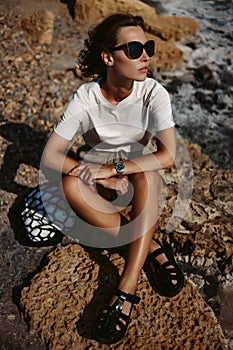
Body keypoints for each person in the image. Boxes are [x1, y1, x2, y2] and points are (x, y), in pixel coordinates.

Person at [41, 13, 184, 345]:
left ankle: (126, 285)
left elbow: (168, 155)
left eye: (147, 47)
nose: (146, 55)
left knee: (148, 170)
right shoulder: (87, 98)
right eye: (134, 49)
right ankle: (149, 247)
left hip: (138, 172)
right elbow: (50, 155)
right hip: (100, 177)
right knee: (70, 185)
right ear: (108, 57)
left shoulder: (154, 93)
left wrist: (115, 171)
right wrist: (99, 178)